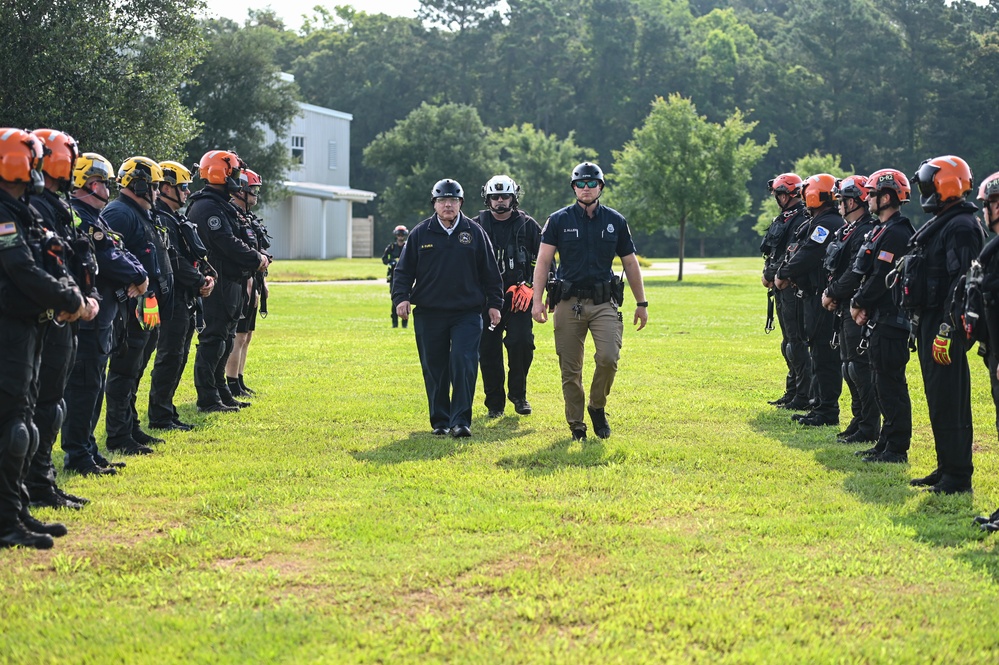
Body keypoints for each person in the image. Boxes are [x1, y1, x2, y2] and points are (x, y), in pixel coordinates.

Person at [0, 128, 87, 548]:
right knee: (14, 428)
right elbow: (21, 268)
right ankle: (6, 522)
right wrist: (69, 297)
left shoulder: (23, 210)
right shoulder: (4, 213)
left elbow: (55, 257)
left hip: (31, 324)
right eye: (30, 160)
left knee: (26, 423)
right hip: (10, 327)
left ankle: (18, 511)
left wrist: (69, 293)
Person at [530, 162, 648, 440]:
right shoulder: (558, 220)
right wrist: (537, 301)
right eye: (580, 184)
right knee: (570, 368)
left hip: (604, 302)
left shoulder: (615, 221)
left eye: (591, 183)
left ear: (601, 187)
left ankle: (597, 406)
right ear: (573, 188)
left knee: (609, 357)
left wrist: (641, 303)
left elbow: (630, 263)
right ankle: (576, 424)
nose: (586, 188)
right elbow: (544, 261)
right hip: (567, 302)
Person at [391, 179, 504, 437]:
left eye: (453, 200)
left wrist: (495, 304)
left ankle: (461, 421)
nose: (447, 205)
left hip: (467, 312)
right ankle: (440, 421)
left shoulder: (475, 233)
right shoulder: (421, 233)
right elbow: (403, 271)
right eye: (442, 201)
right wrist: (401, 298)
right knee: (435, 366)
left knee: (463, 361)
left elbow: (491, 273)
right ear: (435, 204)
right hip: (430, 312)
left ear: (461, 203)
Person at [62, 153, 147, 477]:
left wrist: (138, 273)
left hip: (102, 319)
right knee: (84, 388)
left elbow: (121, 252)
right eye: (103, 183)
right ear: (91, 184)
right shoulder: (79, 216)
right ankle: (78, 455)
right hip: (88, 321)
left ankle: (89, 450)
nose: (107, 190)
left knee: (94, 385)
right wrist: (138, 276)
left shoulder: (97, 217)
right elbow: (110, 258)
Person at [902, 156, 983, 494]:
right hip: (931, 322)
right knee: (938, 398)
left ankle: (958, 476)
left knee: (950, 399)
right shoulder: (944, 222)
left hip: (944, 327)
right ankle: (946, 467)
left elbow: (962, 284)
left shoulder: (961, 227)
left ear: (944, 185)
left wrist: (947, 330)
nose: (924, 191)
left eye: (928, 184)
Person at [188, 150, 269, 413]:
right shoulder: (207, 207)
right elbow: (226, 242)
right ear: (221, 174)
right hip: (219, 282)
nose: (237, 180)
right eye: (233, 173)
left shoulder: (220, 204)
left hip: (233, 281)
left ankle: (221, 390)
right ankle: (208, 398)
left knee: (225, 338)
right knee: (213, 340)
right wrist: (255, 257)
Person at [102, 156, 172, 455]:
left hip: (148, 306)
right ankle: (118, 436)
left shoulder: (142, 213)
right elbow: (107, 257)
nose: (158, 192)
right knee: (124, 370)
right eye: (155, 186)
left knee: (136, 369)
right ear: (140, 184)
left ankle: (130, 426)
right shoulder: (119, 213)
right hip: (130, 308)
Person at [848, 169, 915, 463]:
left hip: (891, 321)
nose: (867, 198)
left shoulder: (897, 233)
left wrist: (858, 302)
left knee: (891, 385)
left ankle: (896, 448)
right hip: (879, 320)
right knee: (881, 384)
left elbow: (881, 277)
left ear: (886, 197)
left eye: (872, 194)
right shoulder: (882, 229)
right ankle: (885, 443)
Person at [147, 161, 215, 430]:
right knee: (169, 357)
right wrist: (200, 281)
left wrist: (208, 276)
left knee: (179, 356)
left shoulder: (176, 217)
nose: (187, 192)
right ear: (166, 188)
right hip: (172, 299)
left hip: (186, 297)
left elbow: (194, 254)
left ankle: (167, 410)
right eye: (182, 187)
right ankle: (160, 415)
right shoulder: (162, 218)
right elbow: (174, 260)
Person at [775, 174, 844, 427]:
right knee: (816, 351)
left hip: (821, 298)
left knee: (824, 355)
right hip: (812, 295)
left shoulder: (826, 223)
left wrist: (783, 273)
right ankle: (819, 406)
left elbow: (808, 254)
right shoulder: (818, 221)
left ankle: (826, 410)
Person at [476, 175, 542, 418]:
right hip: (485, 300)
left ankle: (518, 394)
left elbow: (545, 261)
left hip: (519, 299)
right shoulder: (475, 226)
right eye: (495, 197)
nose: (500, 201)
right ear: (488, 198)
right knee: (488, 350)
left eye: (505, 196)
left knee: (521, 342)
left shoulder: (528, 226)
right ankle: (495, 404)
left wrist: (531, 287)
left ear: (514, 197)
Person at [822, 175, 879, 444]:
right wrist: (832, 294)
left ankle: (868, 425)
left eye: (843, 200)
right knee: (848, 367)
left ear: (855, 201)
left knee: (859, 368)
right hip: (843, 307)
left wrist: (831, 294)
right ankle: (858, 420)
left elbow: (854, 274)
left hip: (856, 308)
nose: (839, 205)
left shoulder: (866, 229)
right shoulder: (848, 229)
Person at [761, 173, 811, 410]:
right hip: (779, 287)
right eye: (776, 194)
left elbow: (793, 253)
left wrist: (773, 274)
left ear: (792, 194)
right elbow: (772, 251)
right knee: (788, 343)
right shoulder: (782, 218)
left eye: (781, 193)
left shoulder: (802, 218)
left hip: (792, 287)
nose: (777, 198)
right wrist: (768, 272)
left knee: (796, 343)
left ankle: (803, 395)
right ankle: (792, 391)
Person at [226, 168, 268, 399]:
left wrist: (262, 282)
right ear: (240, 190)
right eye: (252, 190)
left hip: (254, 281)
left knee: (248, 334)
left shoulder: (247, 217)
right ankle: (231, 382)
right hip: (242, 282)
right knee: (239, 335)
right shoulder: (231, 214)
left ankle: (239, 379)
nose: (255, 195)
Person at [382, 225, 408, 328]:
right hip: (393, 275)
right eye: (399, 235)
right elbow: (384, 259)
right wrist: (392, 261)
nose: (400, 237)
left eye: (402, 235)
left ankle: (404, 324)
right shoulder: (391, 247)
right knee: (394, 300)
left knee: (405, 299)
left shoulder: (408, 246)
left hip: (406, 275)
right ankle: (395, 324)